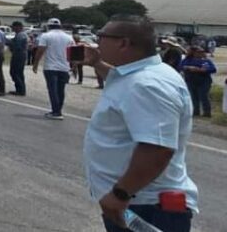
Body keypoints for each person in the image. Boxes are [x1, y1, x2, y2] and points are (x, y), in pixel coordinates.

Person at [80, 15, 198, 232]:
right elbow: (122, 84)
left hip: (146, 205)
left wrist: (121, 193)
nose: (97, 42)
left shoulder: (147, 85)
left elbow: (157, 148)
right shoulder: (140, 76)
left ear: (123, 43)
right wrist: (97, 63)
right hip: (138, 199)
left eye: (101, 37)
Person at [32, 18, 72, 119]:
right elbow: (73, 53)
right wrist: (74, 66)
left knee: (52, 90)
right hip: (64, 67)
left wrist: (35, 63)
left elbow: (40, 50)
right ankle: (58, 110)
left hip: (50, 66)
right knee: (60, 90)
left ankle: (56, 112)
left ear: (49, 26)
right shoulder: (69, 37)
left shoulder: (46, 36)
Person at [179, 46, 217, 118]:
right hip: (191, 80)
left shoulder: (206, 61)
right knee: (193, 97)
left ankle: (207, 112)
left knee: (203, 96)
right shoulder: (188, 60)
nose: (201, 53)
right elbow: (180, 66)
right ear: (194, 53)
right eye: (199, 52)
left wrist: (201, 70)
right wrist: (188, 67)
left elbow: (213, 69)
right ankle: (196, 111)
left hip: (204, 81)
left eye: (202, 52)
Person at [7, 21, 29, 96]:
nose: (12, 28)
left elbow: (17, 46)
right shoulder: (20, 35)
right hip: (20, 54)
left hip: (19, 55)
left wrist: (10, 44)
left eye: (14, 26)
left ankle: (20, 90)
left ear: (18, 27)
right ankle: (20, 89)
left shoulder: (21, 35)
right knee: (19, 73)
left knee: (15, 72)